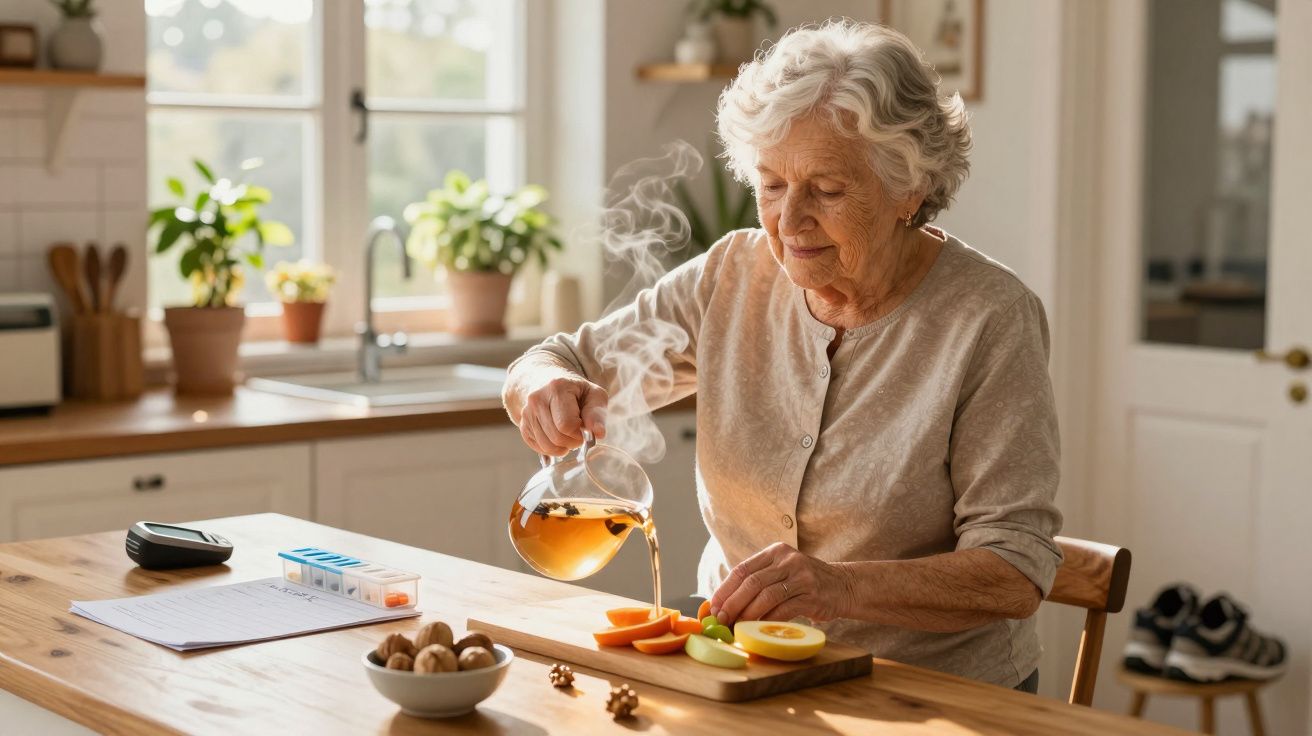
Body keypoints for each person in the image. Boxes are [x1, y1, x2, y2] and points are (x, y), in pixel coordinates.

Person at [501, 19, 1061, 693]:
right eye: (770, 184)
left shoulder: (990, 319)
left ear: (909, 189)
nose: (788, 221)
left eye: (826, 190)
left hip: (928, 692)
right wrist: (545, 385)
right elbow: (558, 356)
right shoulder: (730, 276)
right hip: (742, 668)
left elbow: (1014, 570)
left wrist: (841, 590)